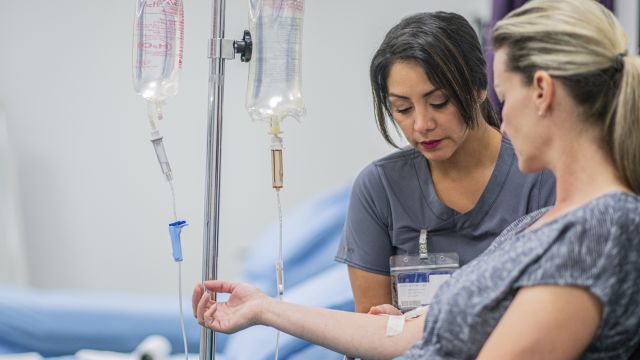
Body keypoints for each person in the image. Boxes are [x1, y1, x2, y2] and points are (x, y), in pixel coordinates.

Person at [193, 0, 640, 358]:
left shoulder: (599, 228)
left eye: (503, 98)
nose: (501, 122)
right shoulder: (540, 225)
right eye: (402, 109)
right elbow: (408, 332)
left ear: (541, 91)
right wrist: (265, 309)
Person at [333, 11, 555, 315]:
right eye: (403, 108)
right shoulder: (379, 188)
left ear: (479, 88)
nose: (422, 124)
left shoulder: (542, 177)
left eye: (439, 102)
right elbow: (371, 331)